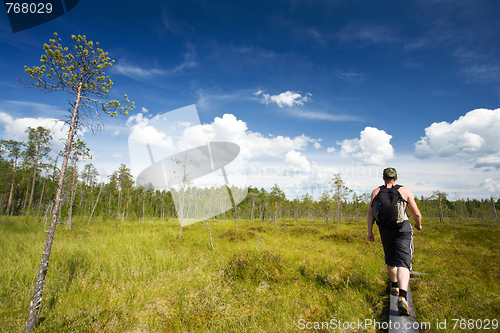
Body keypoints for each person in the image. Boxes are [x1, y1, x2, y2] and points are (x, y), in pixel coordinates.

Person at [367, 167, 422, 316]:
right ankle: (403, 296)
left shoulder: (376, 192)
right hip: (402, 227)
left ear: (383, 178)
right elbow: (416, 213)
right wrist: (418, 224)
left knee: (390, 258)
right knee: (403, 261)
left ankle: (394, 286)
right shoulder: (405, 191)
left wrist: (370, 232)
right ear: (396, 178)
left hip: (385, 229)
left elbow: (371, 213)